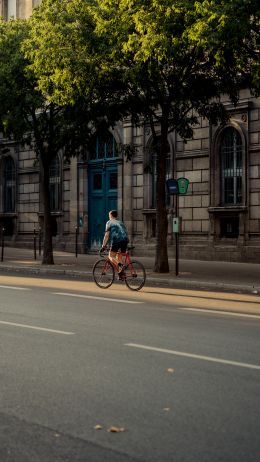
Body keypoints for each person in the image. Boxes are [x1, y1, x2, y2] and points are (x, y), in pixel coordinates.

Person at [101, 210, 129, 276]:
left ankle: (121, 266)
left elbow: (106, 235)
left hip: (117, 240)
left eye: (109, 216)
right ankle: (122, 274)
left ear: (110, 215)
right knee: (118, 257)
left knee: (111, 256)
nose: (109, 217)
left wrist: (103, 245)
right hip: (125, 240)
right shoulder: (121, 222)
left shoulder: (109, 222)